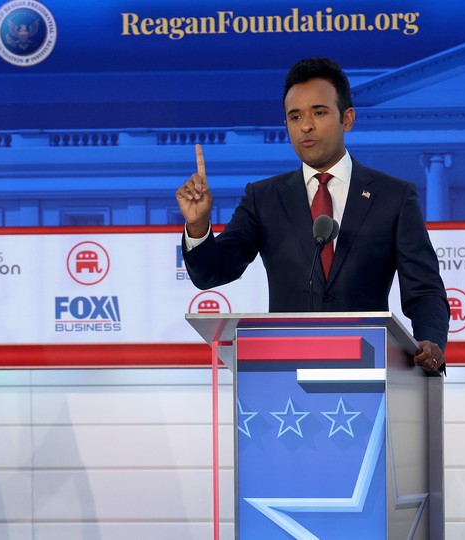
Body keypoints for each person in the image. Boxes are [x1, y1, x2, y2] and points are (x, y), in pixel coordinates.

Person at [176, 57, 448, 372]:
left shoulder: (394, 196)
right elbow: (212, 272)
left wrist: (430, 341)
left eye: (318, 112)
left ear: (347, 119)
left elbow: (425, 289)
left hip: (370, 370)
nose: (306, 125)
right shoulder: (263, 198)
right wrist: (198, 226)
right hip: (285, 375)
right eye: (295, 117)